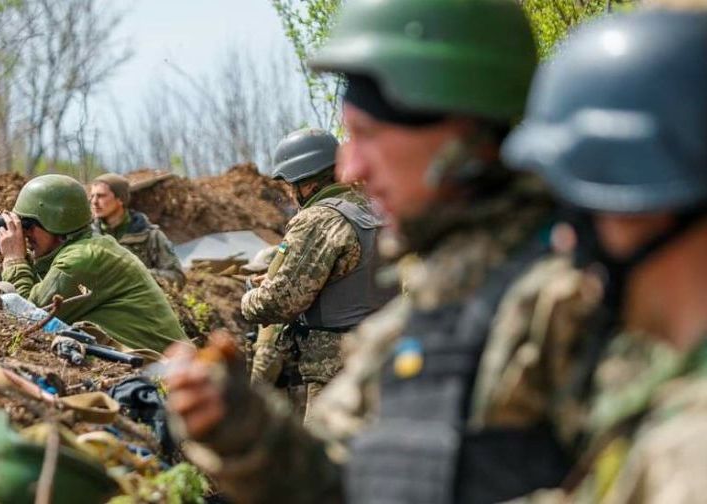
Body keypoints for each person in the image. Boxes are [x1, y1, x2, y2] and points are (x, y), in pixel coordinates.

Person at [164, 0, 597, 502]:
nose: (350, 170)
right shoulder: (424, 310)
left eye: (369, 135)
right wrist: (240, 427)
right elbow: (334, 481)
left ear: (461, 130)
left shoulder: (578, 298)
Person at [502, 9, 707, 502]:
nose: (566, 242)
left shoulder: (691, 452)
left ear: (645, 207)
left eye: (578, 212)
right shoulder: (672, 388)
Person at [242, 127, 392, 425]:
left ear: (304, 183)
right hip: (382, 356)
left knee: (324, 462)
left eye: (290, 185)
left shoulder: (318, 219)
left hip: (334, 371)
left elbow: (281, 302)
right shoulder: (373, 207)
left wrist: (249, 296)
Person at [0, 174, 189, 353]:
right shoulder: (88, 245)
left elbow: (29, 316)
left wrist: (14, 260)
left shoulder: (82, 258)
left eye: (28, 226)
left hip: (164, 371)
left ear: (56, 223)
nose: (24, 234)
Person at [89, 173, 186, 287]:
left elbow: (177, 277)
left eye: (101, 196)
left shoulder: (151, 236)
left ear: (120, 199)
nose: (94, 202)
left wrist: (138, 275)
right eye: (92, 196)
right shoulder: (88, 236)